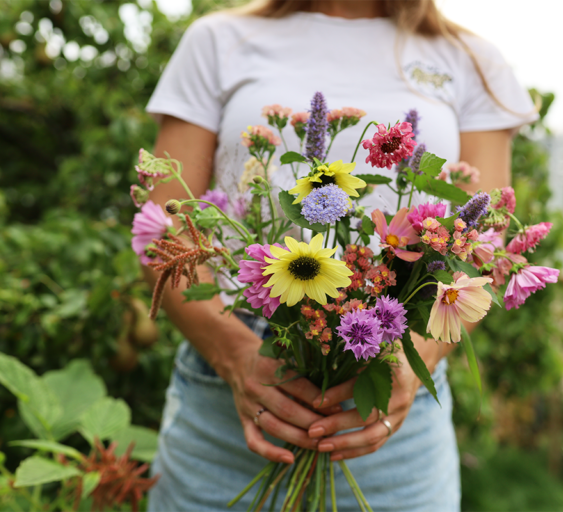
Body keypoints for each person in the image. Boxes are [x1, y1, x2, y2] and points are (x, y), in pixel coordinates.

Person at [143, 1, 538, 510]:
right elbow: (164, 231)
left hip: (391, 400)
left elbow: (483, 243)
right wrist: (236, 356)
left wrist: (411, 363)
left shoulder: (471, 60)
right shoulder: (218, 40)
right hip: (230, 389)